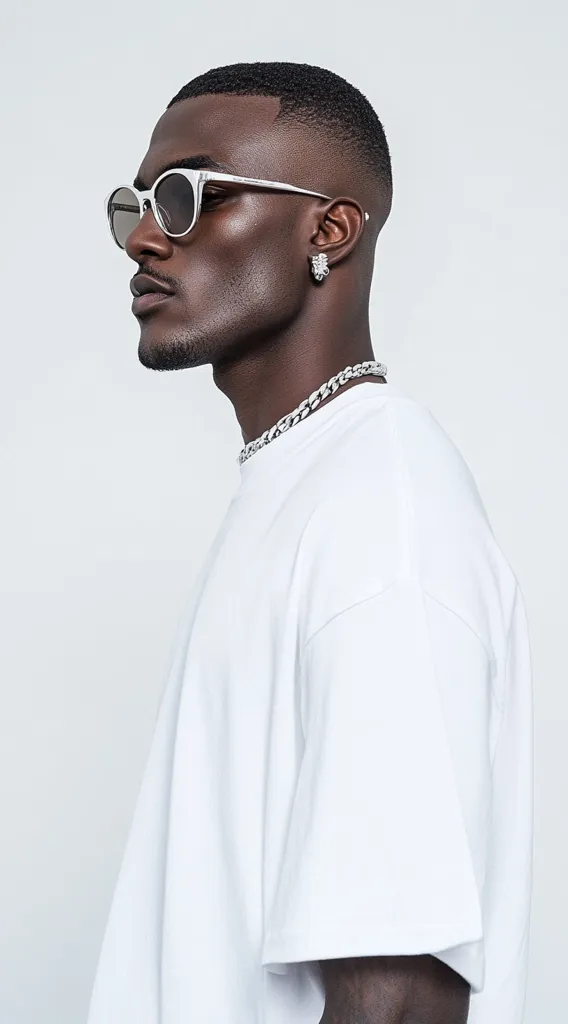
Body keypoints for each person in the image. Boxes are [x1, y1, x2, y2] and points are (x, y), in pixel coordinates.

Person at [89, 61, 533, 1024]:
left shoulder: (382, 506)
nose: (149, 236)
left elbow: (402, 987)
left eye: (192, 195)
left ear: (329, 230)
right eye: (137, 204)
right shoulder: (305, 486)